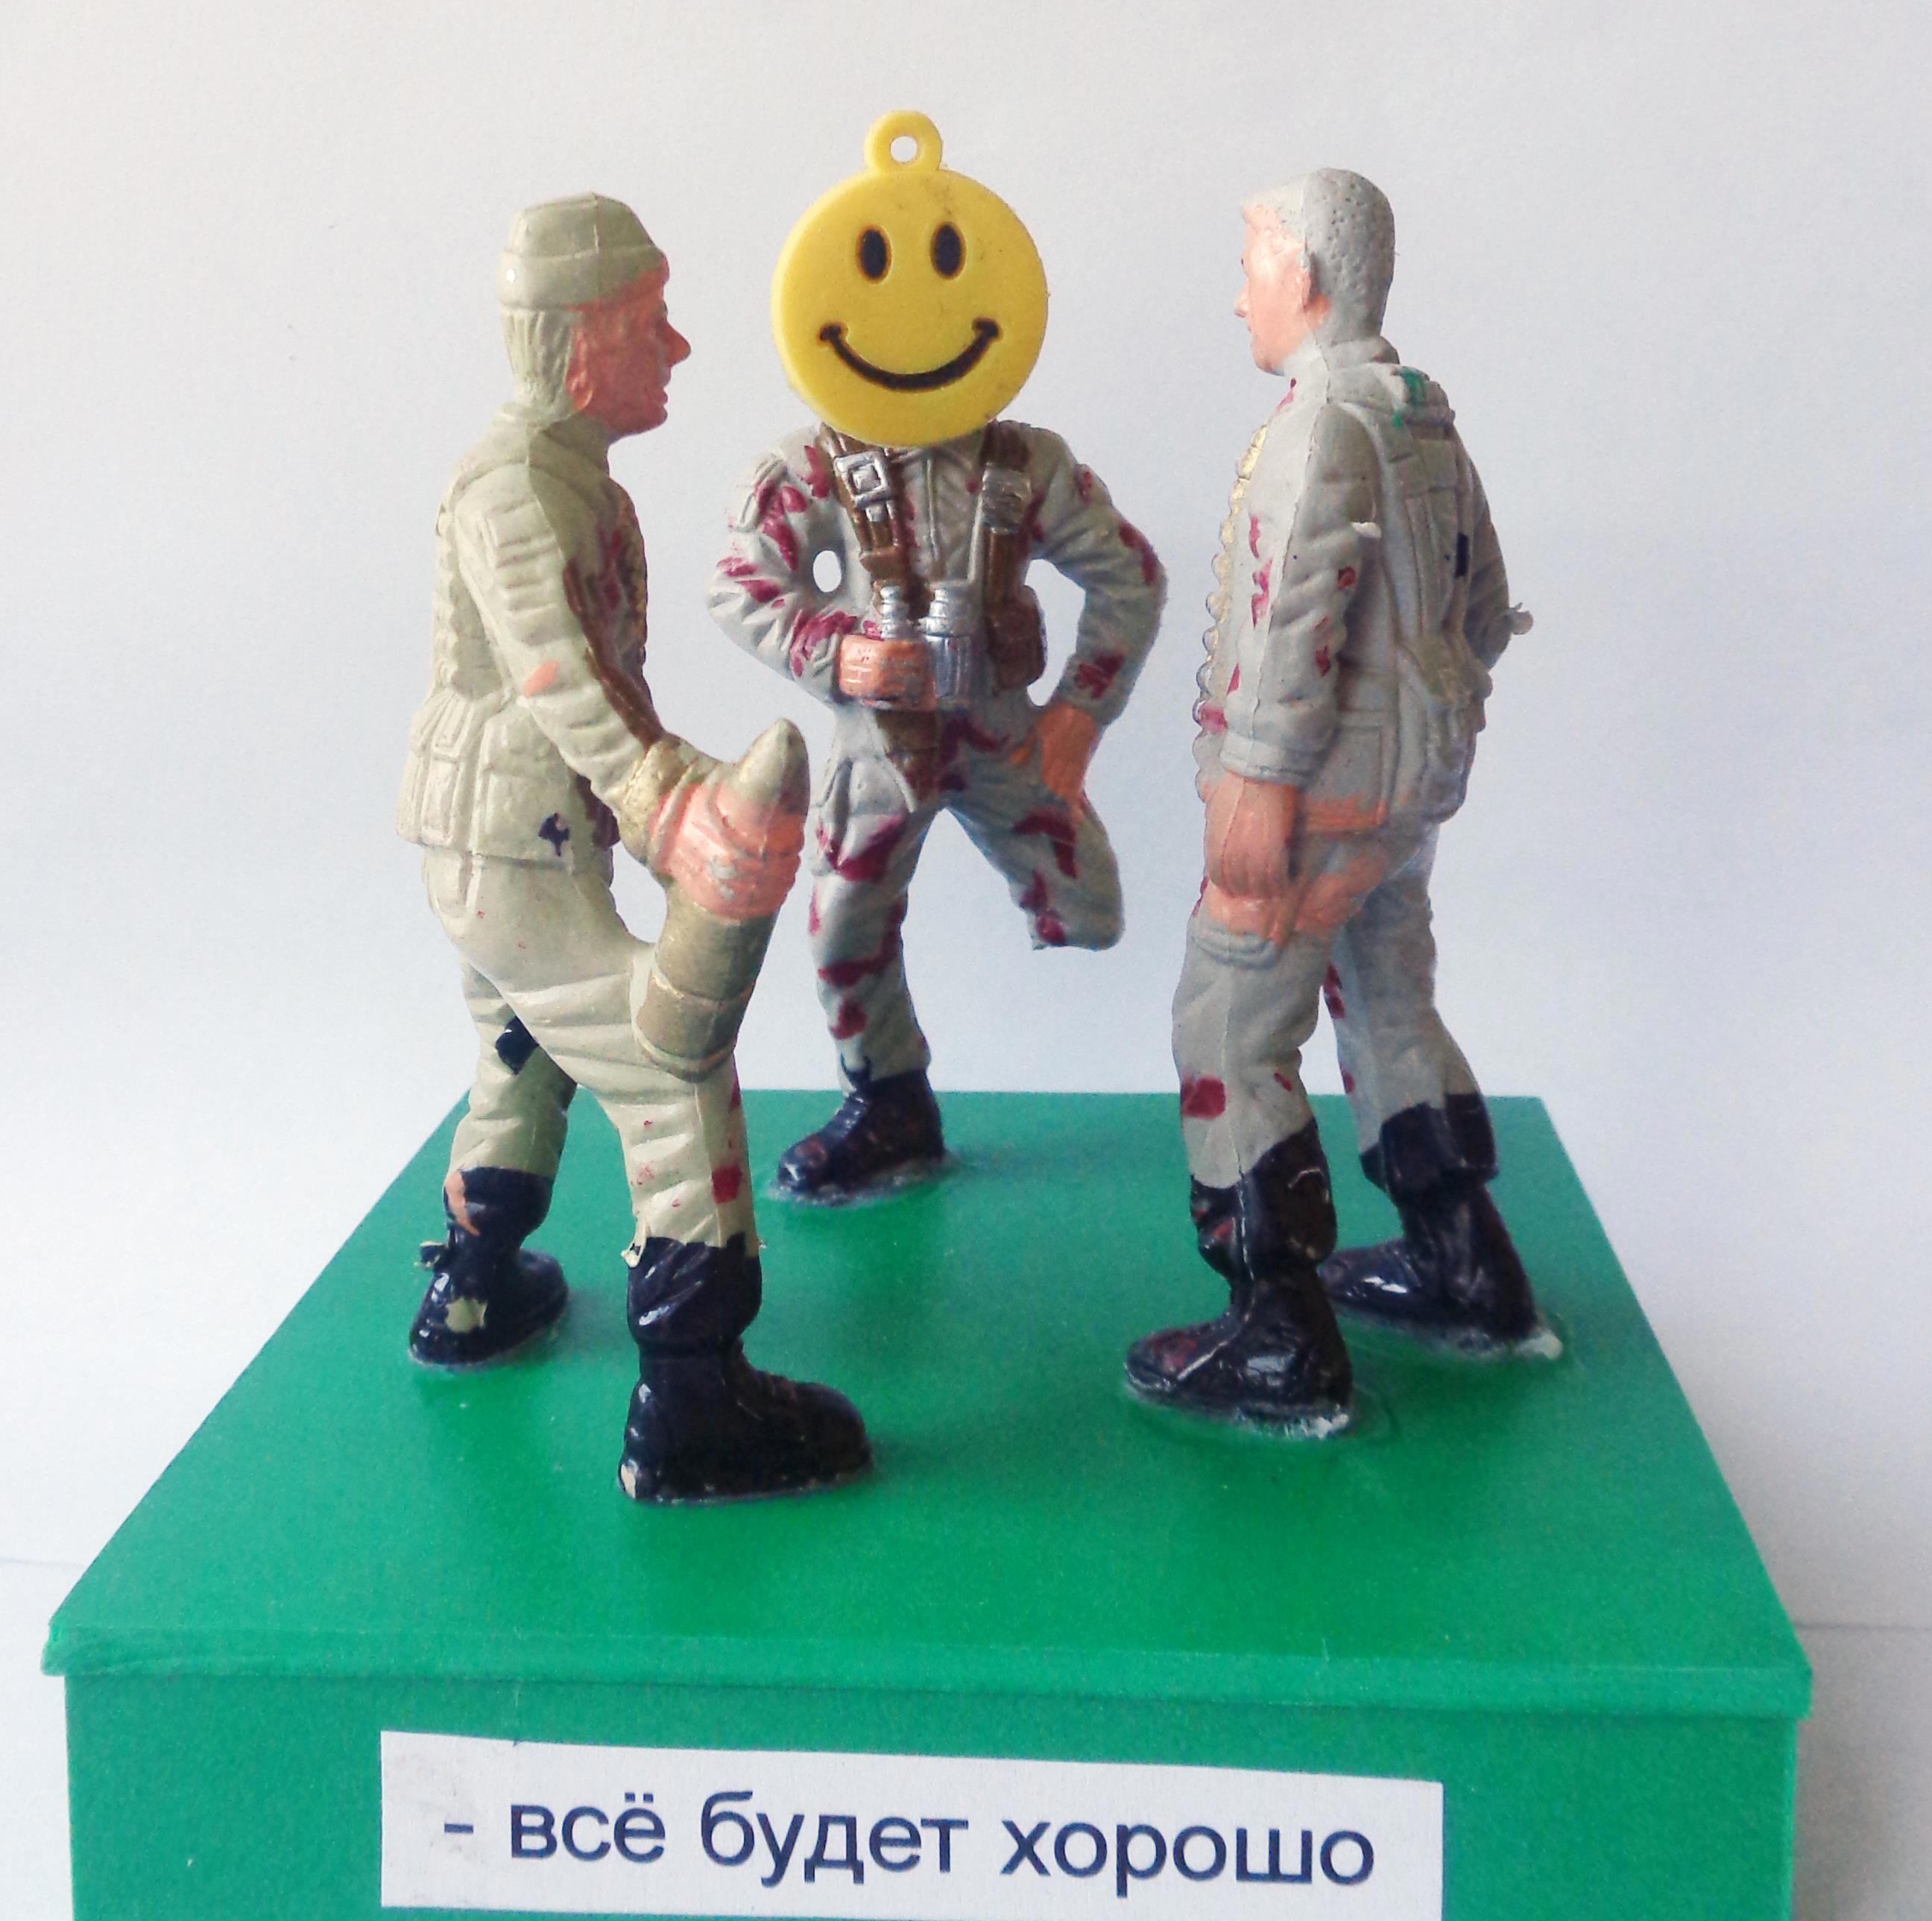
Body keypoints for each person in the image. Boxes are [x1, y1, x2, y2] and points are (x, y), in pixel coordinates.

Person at [397, 194, 868, 1501]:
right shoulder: (519, 494)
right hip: (513, 841)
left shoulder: (565, 481)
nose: (677, 347)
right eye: (648, 323)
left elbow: (609, 694)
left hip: (512, 837)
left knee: (525, 1049)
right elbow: (558, 678)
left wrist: (683, 790)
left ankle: (477, 1289)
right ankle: (692, 1396)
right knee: (670, 1069)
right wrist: (671, 811)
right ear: (576, 343)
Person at [1127, 170, 1538, 1431]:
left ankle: (1278, 1329)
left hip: (1315, 795)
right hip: (1410, 788)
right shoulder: (1423, 417)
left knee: (1228, 1025)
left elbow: (1284, 617)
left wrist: (1257, 784)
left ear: (1301, 277)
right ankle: (1464, 1259)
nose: (1239, 296)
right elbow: (1485, 604)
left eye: (1252, 265)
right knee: (1387, 993)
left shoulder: (1316, 432)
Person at [706, 113, 1166, 1198]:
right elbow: (738, 586)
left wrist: (1078, 714)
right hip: (882, 745)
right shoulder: (812, 469)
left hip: (1006, 735)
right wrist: (842, 654)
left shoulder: (1029, 467)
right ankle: (888, 1102)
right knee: (841, 924)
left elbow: (1131, 578)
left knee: (1092, 909)